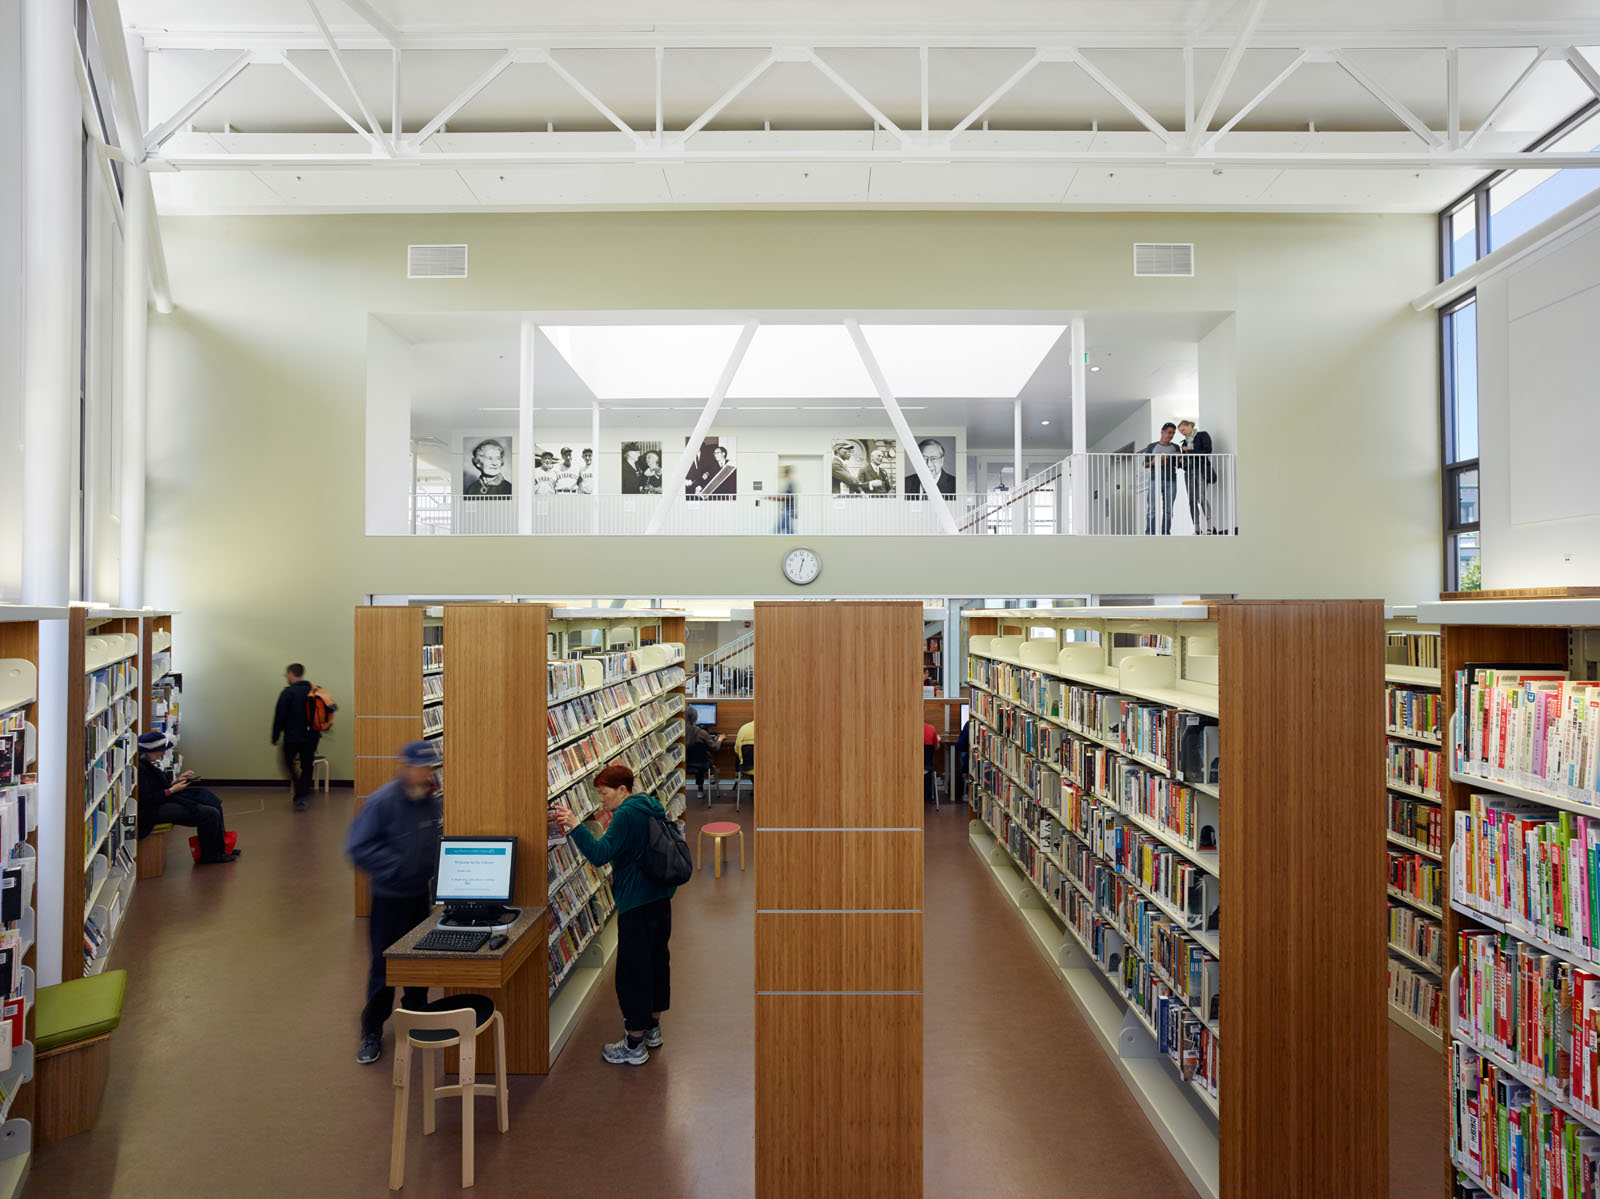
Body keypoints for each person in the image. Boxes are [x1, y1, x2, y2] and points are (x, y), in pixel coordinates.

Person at [550, 763, 675, 1066]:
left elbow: (599, 854)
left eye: (604, 794)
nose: (601, 801)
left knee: (633, 971)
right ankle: (653, 1030)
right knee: (657, 961)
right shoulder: (650, 806)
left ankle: (634, 1044)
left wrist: (576, 825)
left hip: (636, 903)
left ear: (622, 790)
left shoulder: (625, 815)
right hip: (660, 899)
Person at [346, 741, 444, 1066]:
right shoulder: (383, 802)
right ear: (407, 767)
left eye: (432, 768)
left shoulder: (431, 801)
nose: (428, 774)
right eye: (422, 767)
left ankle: (417, 1017)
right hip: (389, 898)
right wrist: (397, 866)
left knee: (419, 959)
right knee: (384, 966)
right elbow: (358, 846)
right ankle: (372, 1031)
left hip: (419, 895)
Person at [136, 731, 240, 865]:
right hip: (153, 811)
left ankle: (222, 848)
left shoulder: (147, 763)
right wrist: (172, 790)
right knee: (210, 814)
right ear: (150, 750)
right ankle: (211, 855)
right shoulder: (141, 769)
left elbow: (159, 785)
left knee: (213, 804)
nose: (163, 754)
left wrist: (177, 781)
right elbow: (147, 799)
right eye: (161, 751)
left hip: (164, 800)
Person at [272, 663, 335, 811]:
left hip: (292, 738)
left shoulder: (288, 693)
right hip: (312, 737)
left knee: (288, 762)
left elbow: (279, 717)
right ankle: (303, 793)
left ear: (290, 673)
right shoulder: (314, 691)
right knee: (307, 766)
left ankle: (300, 793)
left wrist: (275, 736)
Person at [1140, 422, 1181, 535]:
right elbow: (1145, 464)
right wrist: (1155, 462)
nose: (1171, 435)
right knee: (1152, 508)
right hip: (1154, 480)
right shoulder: (1152, 446)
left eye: (1173, 433)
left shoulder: (1175, 447)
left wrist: (1180, 458)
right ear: (1162, 432)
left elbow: (1179, 466)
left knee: (1168, 510)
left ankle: (1165, 533)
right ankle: (1150, 533)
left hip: (1171, 481)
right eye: (1169, 432)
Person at [1177, 419, 1216, 535]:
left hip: (1201, 469)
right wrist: (1181, 460)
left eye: (1183, 430)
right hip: (1188, 471)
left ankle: (1210, 526)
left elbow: (1207, 450)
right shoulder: (1184, 443)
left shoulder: (1202, 435)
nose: (1183, 433)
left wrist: (1189, 451)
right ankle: (1196, 528)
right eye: (1181, 432)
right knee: (1191, 500)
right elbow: (1186, 458)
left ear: (1190, 426)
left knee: (1202, 498)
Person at [684, 715, 723, 798]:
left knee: (697, 759)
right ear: (695, 718)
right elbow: (715, 748)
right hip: (703, 764)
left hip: (685, 765)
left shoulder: (681, 733)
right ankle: (709, 779)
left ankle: (700, 789)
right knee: (702, 759)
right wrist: (719, 739)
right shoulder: (702, 733)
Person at [775, 464, 797, 534]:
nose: (782, 474)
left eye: (783, 472)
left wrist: (775, 498)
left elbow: (789, 496)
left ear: (786, 473)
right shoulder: (788, 483)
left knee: (778, 529)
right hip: (787, 510)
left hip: (788, 510)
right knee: (788, 529)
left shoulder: (790, 483)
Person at [923, 719, 940, 803]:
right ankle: (928, 795)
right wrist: (937, 739)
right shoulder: (931, 728)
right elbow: (936, 748)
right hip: (927, 767)